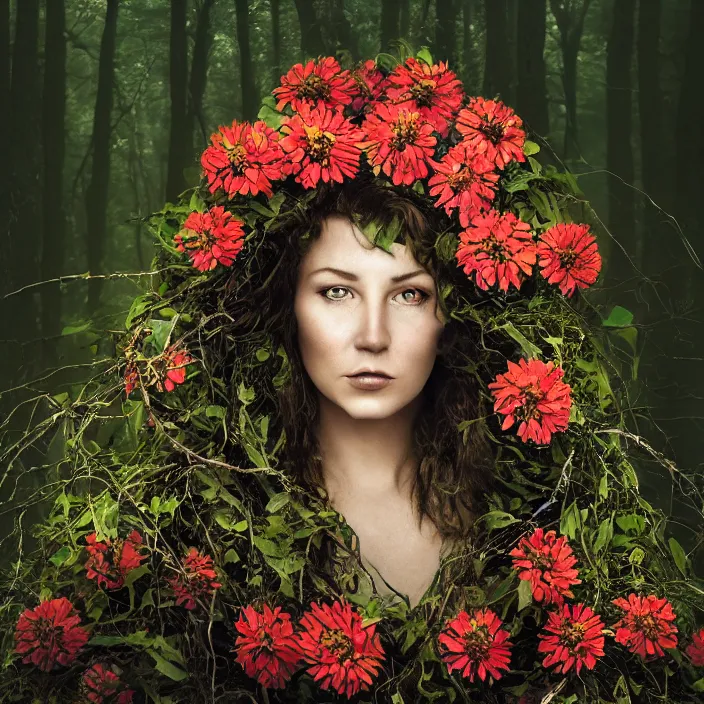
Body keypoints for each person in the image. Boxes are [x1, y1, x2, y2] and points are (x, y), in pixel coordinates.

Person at [2, 53, 702, 704]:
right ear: (283, 309)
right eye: (337, 292)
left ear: (454, 318)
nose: (372, 334)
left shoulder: (540, 512)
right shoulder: (194, 528)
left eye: (409, 294)